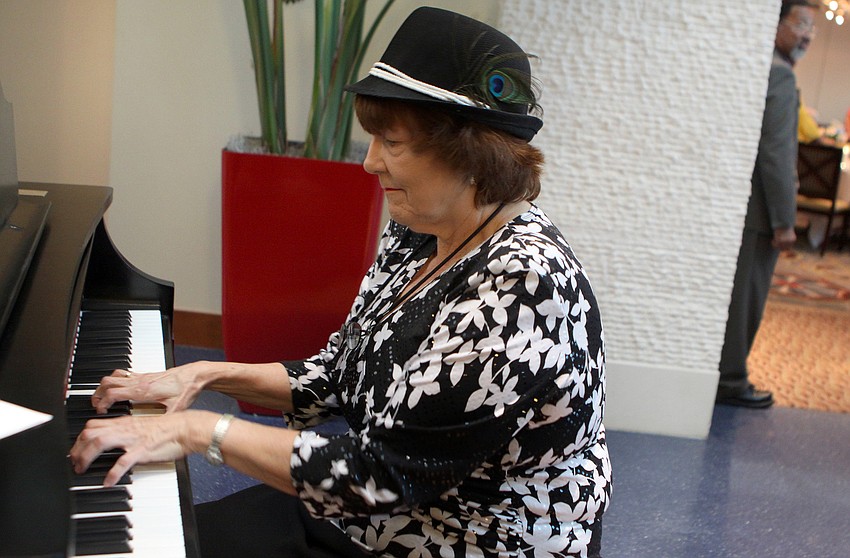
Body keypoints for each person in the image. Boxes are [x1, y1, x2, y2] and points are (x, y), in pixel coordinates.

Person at [69, 7, 610, 557]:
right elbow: (342, 372)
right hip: (383, 511)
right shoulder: (422, 230)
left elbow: (383, 479)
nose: (370, 162)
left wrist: (194, 431)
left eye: (392, 143)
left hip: (460, 539)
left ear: (472, 156)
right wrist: (207, 374)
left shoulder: (524, 287)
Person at [716, 0, 817, 408]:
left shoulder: (765, 69)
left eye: (812, 28)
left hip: (750, 208)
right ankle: (732, 381)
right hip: (760, 213)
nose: (807, 35)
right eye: (801, 25)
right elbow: (776, 154)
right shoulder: (779, 77)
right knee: (747, 297)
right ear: (776, 24)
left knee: (742, 295)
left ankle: (729, 376)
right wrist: (785, 220)